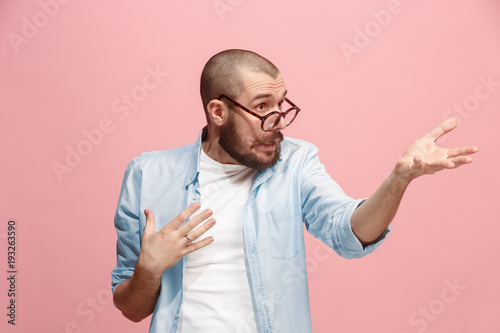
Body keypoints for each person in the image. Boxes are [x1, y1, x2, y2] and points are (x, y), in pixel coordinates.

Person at [111, 49, 478, 333]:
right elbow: (132, 308)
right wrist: (149, 269)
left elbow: (348, 233)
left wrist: (399, 179)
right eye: (262, 108)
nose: (278, 123)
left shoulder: (296, 162)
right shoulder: (147, 174)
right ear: (218, 112)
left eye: (281, 104)